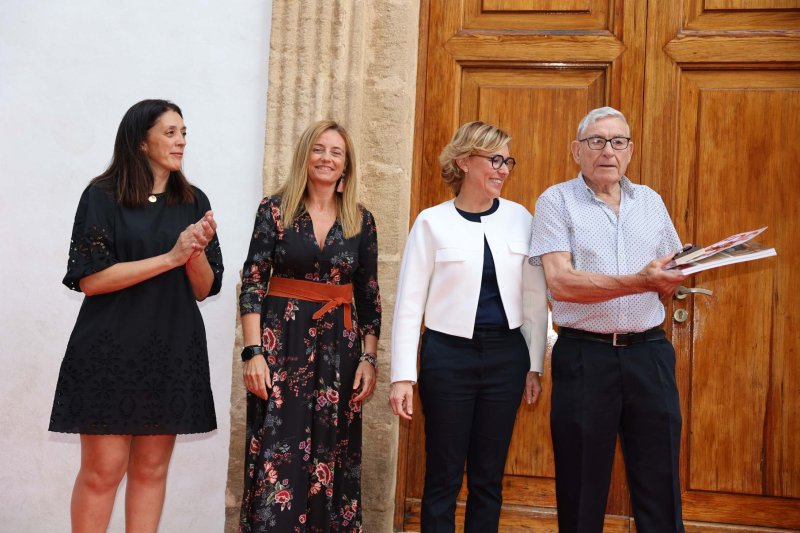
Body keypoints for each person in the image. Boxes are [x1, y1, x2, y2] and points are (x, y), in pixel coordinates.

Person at [49, 99, 223, 533]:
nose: (181, 141)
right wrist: (170, 257)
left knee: (151, 470)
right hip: (110, 349)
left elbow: (203, 288)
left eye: (184, 132)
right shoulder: (102, 196)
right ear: (141, 141)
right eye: (170, 132)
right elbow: (91, 279)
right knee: (103, 471)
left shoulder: (193, 200)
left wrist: (195, 253)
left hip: (172, 348)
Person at [529, 106, 687, 532]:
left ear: (630, 151)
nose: (608, 151)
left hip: (649, 354)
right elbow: (561, 283)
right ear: (576, 150)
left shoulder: (651, 201)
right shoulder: (555, 201)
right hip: (586, 356)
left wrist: (679, 273)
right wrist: (640, 281)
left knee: (661, 485)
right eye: (596, 141)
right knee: (581, 490)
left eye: (618, 142)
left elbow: (669, 273)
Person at [389, 121, 549, 533]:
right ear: (463, 161)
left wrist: (534, 365)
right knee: (442, 477)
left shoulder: (521, 219)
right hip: (448, 357)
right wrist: (402, 376)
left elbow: (535, 298)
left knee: (488, 479)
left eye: (507, 161)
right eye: (494, 159)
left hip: (506, 358)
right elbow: (409, 304)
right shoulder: (431, 222)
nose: (503, 169)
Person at [238, 120, 381, 532]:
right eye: (319, 149)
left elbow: (369, 295)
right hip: (281, 345)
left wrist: (369, 359)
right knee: (277, 449)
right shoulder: (274, 210)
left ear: (346, 164)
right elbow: (253, 281)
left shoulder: (361, 220)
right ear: (305, 155)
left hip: (340, 351)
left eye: (336, 152)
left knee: (332, 451)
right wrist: (253, 352)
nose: (326, 158)